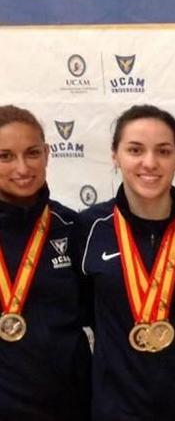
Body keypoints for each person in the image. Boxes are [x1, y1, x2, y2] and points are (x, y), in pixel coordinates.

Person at [78, 105, 175, 420]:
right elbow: (85, 311)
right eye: (135, 150)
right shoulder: (87, 229)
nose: (150, 163)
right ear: (115, 156)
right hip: (118, 409)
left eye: (163, 151)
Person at [0, 105, 90, 420]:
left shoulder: (71, 225)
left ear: (48, 154)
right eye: (5, 156)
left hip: (67, 404)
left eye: (32, 153)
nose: (22, 168)